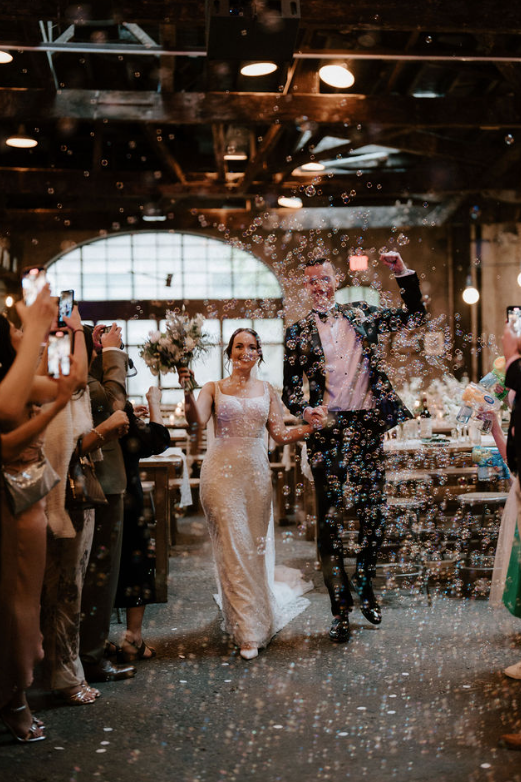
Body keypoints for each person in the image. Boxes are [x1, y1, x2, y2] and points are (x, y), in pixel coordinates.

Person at [282, 253, 426, 643]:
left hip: (366, 426)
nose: (318, 285)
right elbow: (290, 392)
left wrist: (402, 273)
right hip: (327, 430)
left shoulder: (362, 314)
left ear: (337, 279)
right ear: (305, 286)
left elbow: (414, 316)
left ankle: (365, 580)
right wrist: (305, 409)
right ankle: (339, 608)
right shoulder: (296, 333)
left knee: (373, 513)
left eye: (324, 278)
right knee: (329, 524)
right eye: (311, 280)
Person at [178, 328, 325, 660]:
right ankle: (248, 632)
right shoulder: (212, 388)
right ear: (230, 352)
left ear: (259, 353)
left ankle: (253, 617)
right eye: (239, 346)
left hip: (256, 477)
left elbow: (280, 434)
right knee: (233, 547)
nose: (246, 351)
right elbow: (196, 420)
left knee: (254, 548)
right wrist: (187, 388)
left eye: (252, 346)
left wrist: (310, 428)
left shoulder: (267, 390)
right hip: (220, 475)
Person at [0, 296, 83, 743]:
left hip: (26, 500)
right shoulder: (6, 391)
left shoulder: (14, 379)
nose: (18, 328)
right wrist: (34, 330)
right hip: (10, 505)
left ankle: (13, 693)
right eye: (10, 327)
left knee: (21, 604)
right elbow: (8, 440)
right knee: (15, 607)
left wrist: (64, 336)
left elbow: (67, 383)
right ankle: (13, 698)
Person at [41, 320, 130, 705]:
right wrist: (104, 431)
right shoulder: (56, 377)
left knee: (69, 584)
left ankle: (63, 666)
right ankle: (63, 673)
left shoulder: (59, 375)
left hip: (77, 486)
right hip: (66, 493)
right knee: (66, 586)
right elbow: (64, 441)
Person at [79, 323, 136, 683]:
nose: (101, 352)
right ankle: (89, 657)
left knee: (96, 575)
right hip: (99, 484)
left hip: (103, 481)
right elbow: (112, 403)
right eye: (95, 348)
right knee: (99, 576)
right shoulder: (79, 377)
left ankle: (89, 648)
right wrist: (114, 354)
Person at [113, 387, 170, 662]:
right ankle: (133, 638)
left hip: (100, 490)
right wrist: (154, 403)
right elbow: (157, 441)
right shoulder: (109, 386)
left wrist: (130, 415)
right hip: (125, 495)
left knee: (100, 566)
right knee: (135, 560)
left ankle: (94, 638)